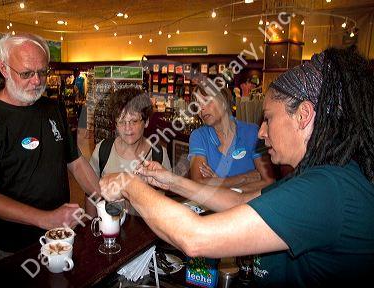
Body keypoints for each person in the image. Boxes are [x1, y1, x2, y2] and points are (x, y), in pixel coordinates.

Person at [100, 47, 374, 286]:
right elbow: (235, 201)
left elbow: (195, 237)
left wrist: (130, 185)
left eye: (268, 119)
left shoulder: (325, 190)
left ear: (303, 116)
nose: (262, 132)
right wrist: (171, 181)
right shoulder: (320, 176)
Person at [0, 33, 100, 257]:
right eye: (26, 73)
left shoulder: (53, 108)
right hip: (14, 245)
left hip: (60, 236)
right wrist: (45, 218)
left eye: (43, 72)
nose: (37, 81)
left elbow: (75, 162)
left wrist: (104, 196)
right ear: (4, 68)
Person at [189, 81, 275, 192]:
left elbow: (269, 182)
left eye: (206, 101)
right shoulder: (198, 136)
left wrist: (219, 183)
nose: (201, 109)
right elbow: (198, 184)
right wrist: (245, 178)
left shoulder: (252, 132)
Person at [89, 87, 171, 178]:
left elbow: (164, 190)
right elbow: (92, 190)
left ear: (146, 121)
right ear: (116, 124)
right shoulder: (102, 151)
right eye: (121, 121)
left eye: (134, 121)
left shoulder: (159, 155)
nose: (127, 128)